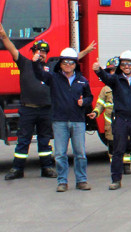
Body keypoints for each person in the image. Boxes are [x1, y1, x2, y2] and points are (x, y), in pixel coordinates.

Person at [0, 23, 95, 181]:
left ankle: (47, 167)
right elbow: (11, 48)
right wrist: (3, 35)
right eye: (38, 51)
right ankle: (17, 168)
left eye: (44, 52)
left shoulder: (52, 68)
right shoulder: (25, 63)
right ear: (33, 52)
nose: (41, 54)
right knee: (23, 140)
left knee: (45, 140)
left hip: (46, 110)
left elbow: (70, 61)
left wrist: (86, 52)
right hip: (28, 109)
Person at [32, 48, 93, 192]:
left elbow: (89, 97)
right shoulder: (53, 78)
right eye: (64, 62)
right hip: (59, 121)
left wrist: (83, 102)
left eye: (71, 62)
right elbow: (40, 74)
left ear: (75, 64)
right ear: (60, 64)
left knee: (80, 153)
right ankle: (62, 182)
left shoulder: (82, 81)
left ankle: (82, 181)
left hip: (78, 121)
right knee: (60, 154)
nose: (67, 65)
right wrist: (35, 63)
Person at [93, 50, 131, 190]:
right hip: (120, 120)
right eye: (124, 64)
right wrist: (98, 70)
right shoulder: (116, 80)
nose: (127, 67)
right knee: (118, 151)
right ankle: (116, 180)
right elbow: (105, 77)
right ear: (120, 65)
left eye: (130, 64)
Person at [88, 56, 131, 174]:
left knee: (126, 144)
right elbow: (100, 104)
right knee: (113, 145)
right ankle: (116, 166)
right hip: (111, 122)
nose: (112, 73)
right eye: (110, 71)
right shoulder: (105, 89)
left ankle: (126, 165)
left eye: (114, 70)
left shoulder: (127, 85)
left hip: (125, 120)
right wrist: (95, 112)